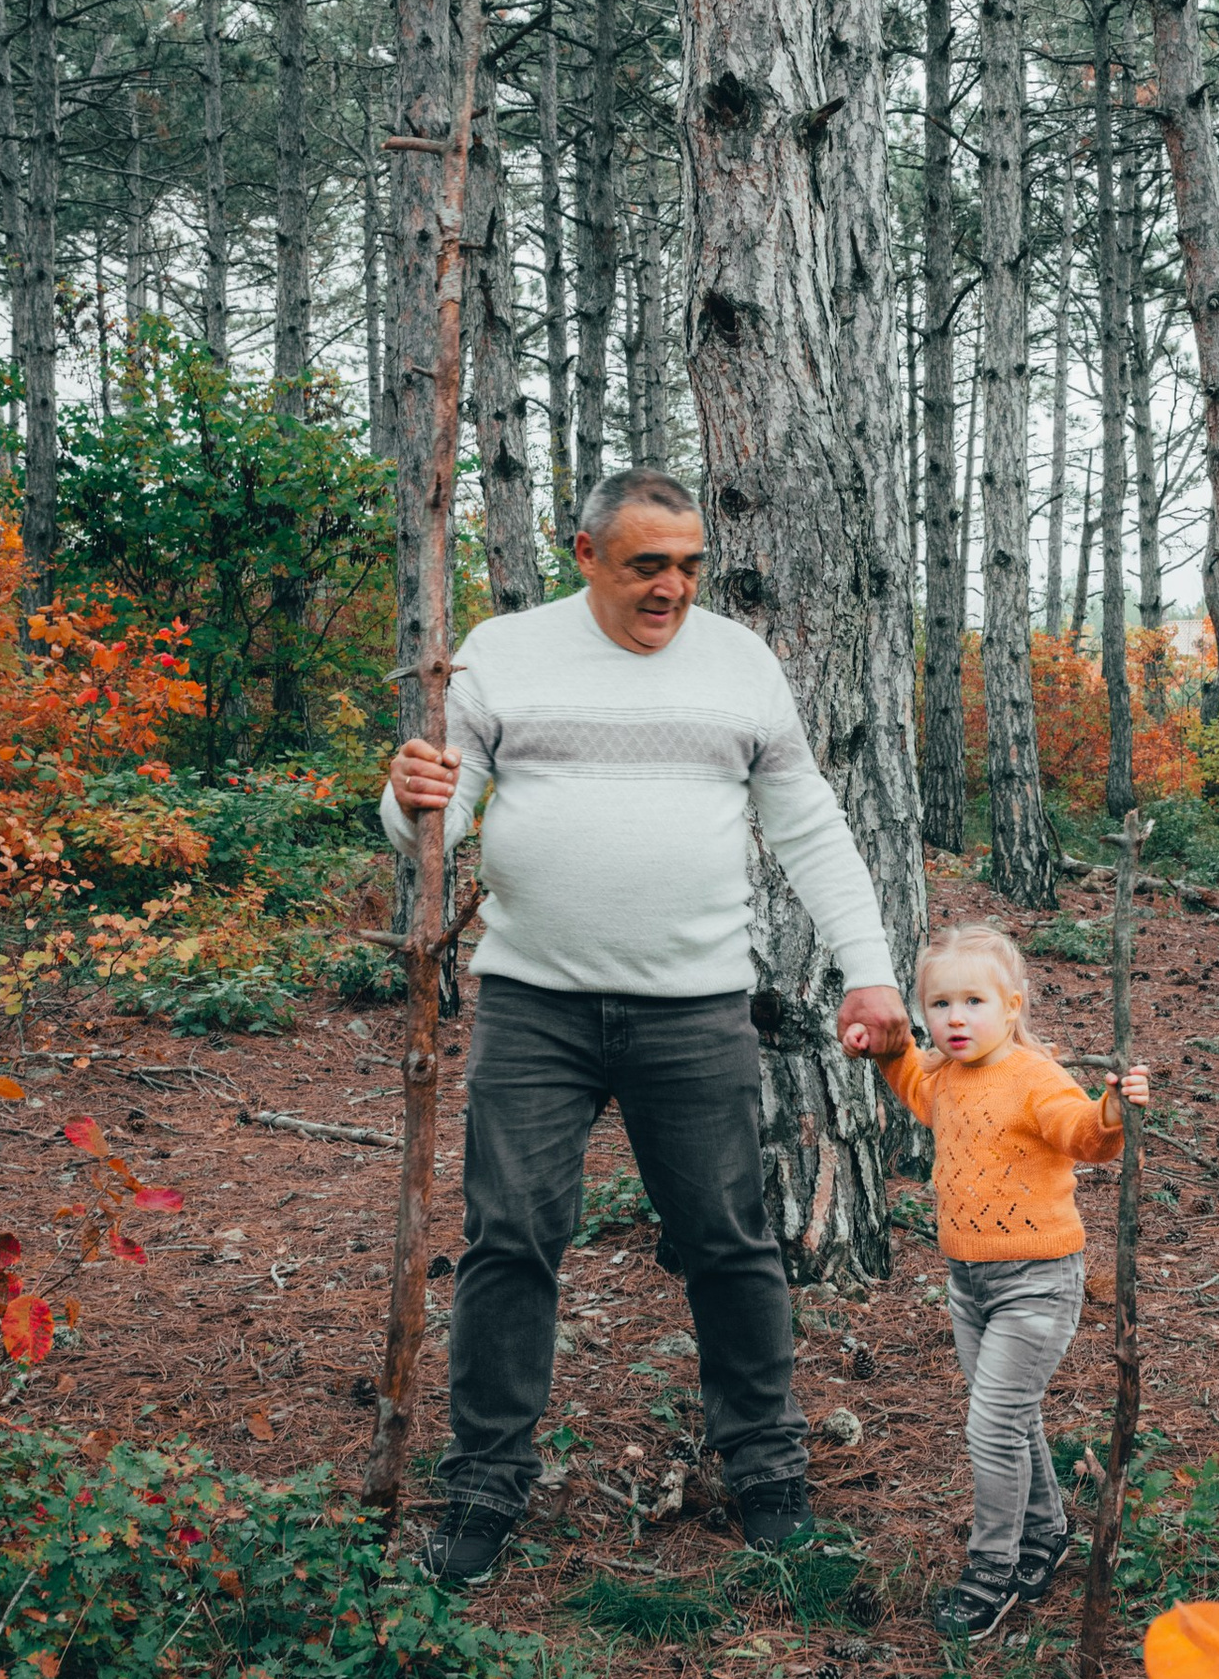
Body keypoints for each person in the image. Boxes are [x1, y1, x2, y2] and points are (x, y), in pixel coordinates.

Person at [382, 466, 909, 1584]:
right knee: (509, 1240)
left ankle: (765, 1472)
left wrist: (868, 970)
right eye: (646, 566)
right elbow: (432, 816)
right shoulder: (504, 650)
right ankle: (484, 1485)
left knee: (729, 1241)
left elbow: (807, 822)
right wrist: (408, 791)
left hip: (696, 1007)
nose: (672, 588)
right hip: (533, 1005)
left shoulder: (738, 664)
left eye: (689, 565)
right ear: (585, 556)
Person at [872, 921, 1149, 1642]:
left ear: (1013, 1006)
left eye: (974, 1002)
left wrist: (1114, 1110)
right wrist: (885, 1046)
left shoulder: (1033, 1077)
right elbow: (913, 1085)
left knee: (990, 1425)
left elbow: (1081, 1134)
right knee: (1011, 1415)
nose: (955, 1018)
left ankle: (991, 1568)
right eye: (939, 1005)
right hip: (969, 1282)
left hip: (1037, 1281)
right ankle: (1046, 1529)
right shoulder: (945, 1075)